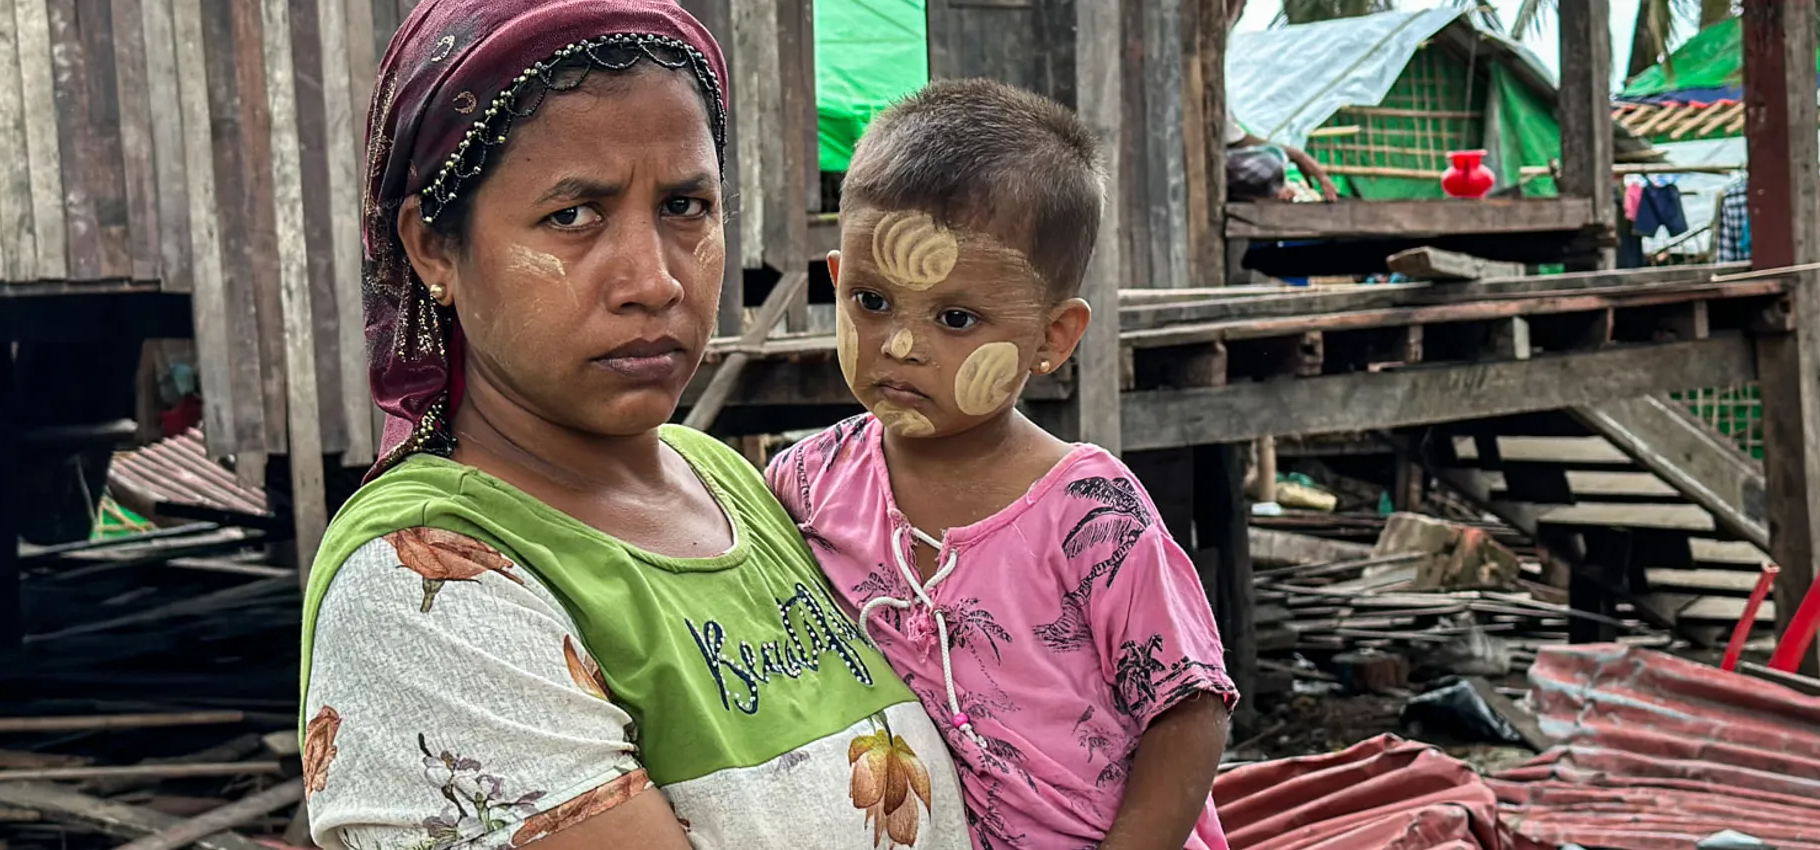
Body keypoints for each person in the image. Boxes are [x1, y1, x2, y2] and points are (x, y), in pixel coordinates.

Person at [296, 2, 969, 848]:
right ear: (435, 248)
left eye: (686, 206)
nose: (653, 281)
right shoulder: (426, 586)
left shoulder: (726, 483)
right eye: (573, 216)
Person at [766, 79, 1235, 850]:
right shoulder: (808, 485)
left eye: (955, 318)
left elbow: (1190, 713)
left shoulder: (1089, 514)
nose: (901, 344)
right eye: (871, 301)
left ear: (1053, 337)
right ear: (835, 280)